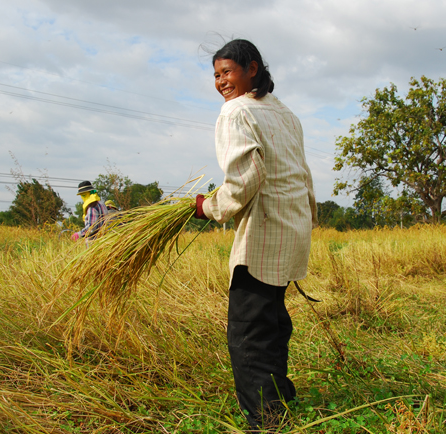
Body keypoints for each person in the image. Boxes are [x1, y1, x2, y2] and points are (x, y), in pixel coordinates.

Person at [194, 39, 318, 430]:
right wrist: (308, 217)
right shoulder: (285, 114)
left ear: (252, 68)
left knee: (249, 334)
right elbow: (302, 173)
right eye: (216, 75)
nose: (220, 82)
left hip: (264, 233)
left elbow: (246, 179)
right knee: (273, 321)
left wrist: (208, 208)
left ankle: (265, 420)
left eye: (227, 71)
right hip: (292, 228)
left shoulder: (236, 111)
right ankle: (280, 397)